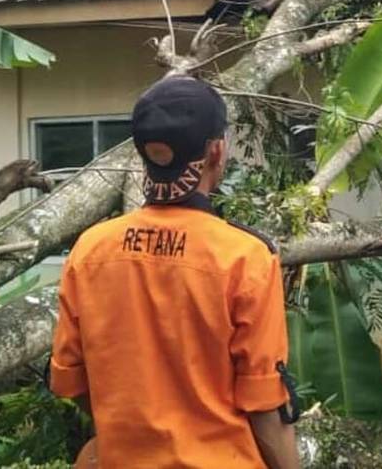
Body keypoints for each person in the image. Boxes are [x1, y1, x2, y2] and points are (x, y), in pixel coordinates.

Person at [48, 76, 300, 469]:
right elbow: (264, 407)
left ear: (144, 155)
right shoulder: (244, 258)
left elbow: (71, 379)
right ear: (217, 151)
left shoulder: (91, 250)